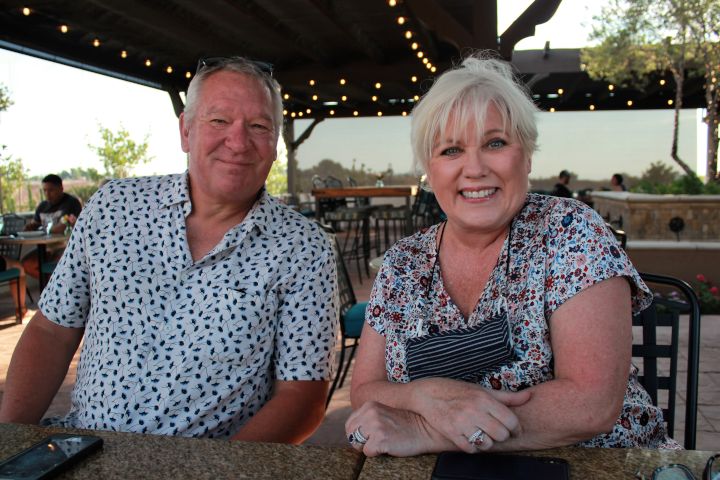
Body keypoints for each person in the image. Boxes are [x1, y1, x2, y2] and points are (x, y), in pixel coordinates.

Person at [344, 53, 676, 457]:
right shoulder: (403, 262)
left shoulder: (568, 230)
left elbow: (591, 405)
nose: (474, 168)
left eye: (495, 143)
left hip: (600, 464)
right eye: (451, 150)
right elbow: (365, 390)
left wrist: (426, 429)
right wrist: (422, 395)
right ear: (429, 171)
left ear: (527, 155)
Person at [0, 56, 339, 443]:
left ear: (275, 143)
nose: (238, 141)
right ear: (186, 131)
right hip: (84, 447)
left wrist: (216, 470)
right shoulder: (113, 207)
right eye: (219, 120)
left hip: (210, 462)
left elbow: (302, 395)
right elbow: (51, 331)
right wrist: (9, 441)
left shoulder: (303, 247)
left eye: (259, 126)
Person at [21, 174, 82, 279]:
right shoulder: (42, 206)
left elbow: (62, 227)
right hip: (46, 248)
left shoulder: (71, 202)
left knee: (62, 266)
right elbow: (35, 224)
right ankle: (53, 285)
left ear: (61, 188)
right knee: (26, 264)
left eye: (51, 190)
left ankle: (56, 285)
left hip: (67, 247)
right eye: (44, 190)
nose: (47, 194)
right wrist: (30, 227)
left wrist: (43, 228)